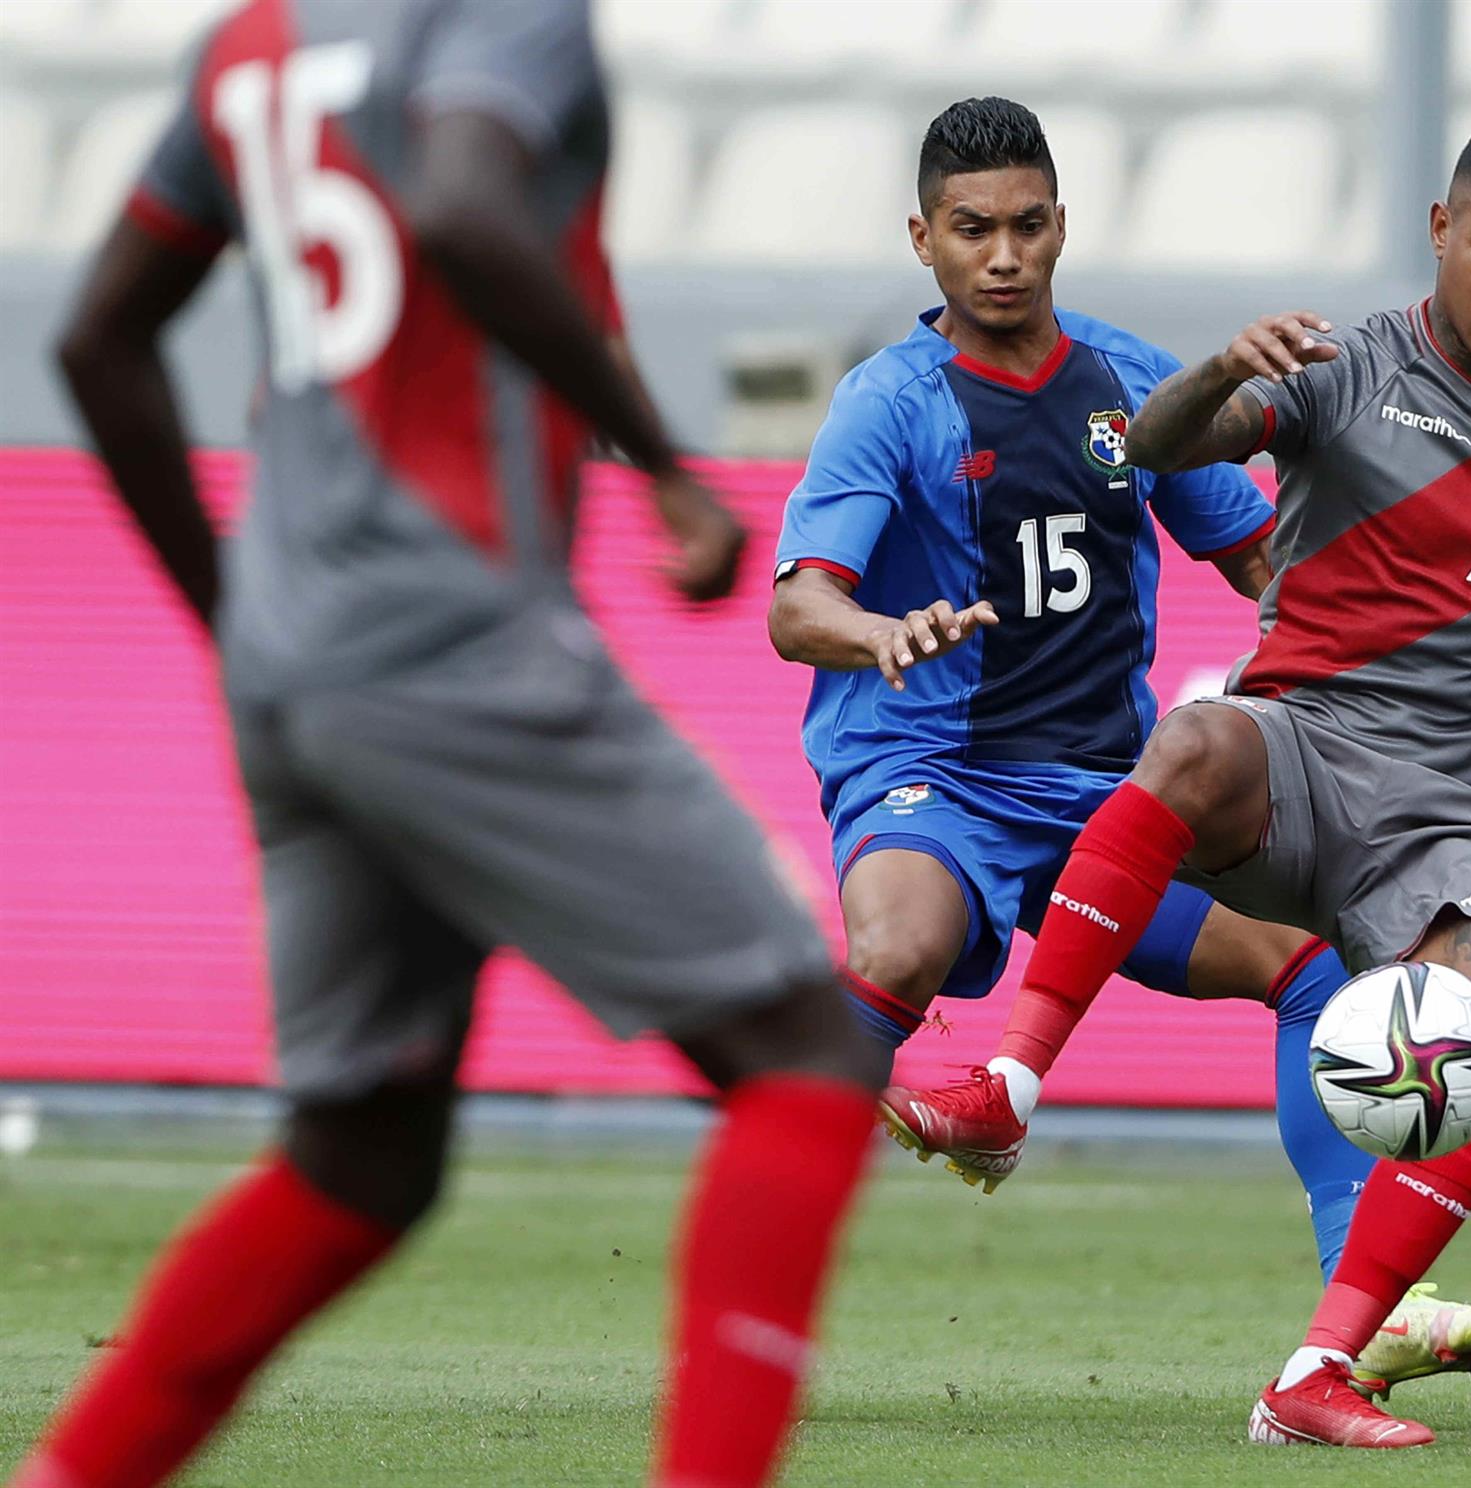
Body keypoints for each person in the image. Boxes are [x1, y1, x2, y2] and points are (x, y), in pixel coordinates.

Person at [12, 4, 884, 1486]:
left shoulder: (254, 44)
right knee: (806, 1047)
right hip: (453, 634)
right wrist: (666, 468)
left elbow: (99, 339)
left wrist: (241, 622)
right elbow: (467, 206)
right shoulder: (501, 16)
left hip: (295, 673)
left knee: (363, 1156)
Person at [884, 120, 1471, 1449]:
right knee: (1194, 740)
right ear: (1441, 230)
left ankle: (1317, 1374)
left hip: (1449, 812)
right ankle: (1010, 1085)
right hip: (1298, 747)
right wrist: (1226, 365)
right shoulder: (1340, 369)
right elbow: (1158, 450)